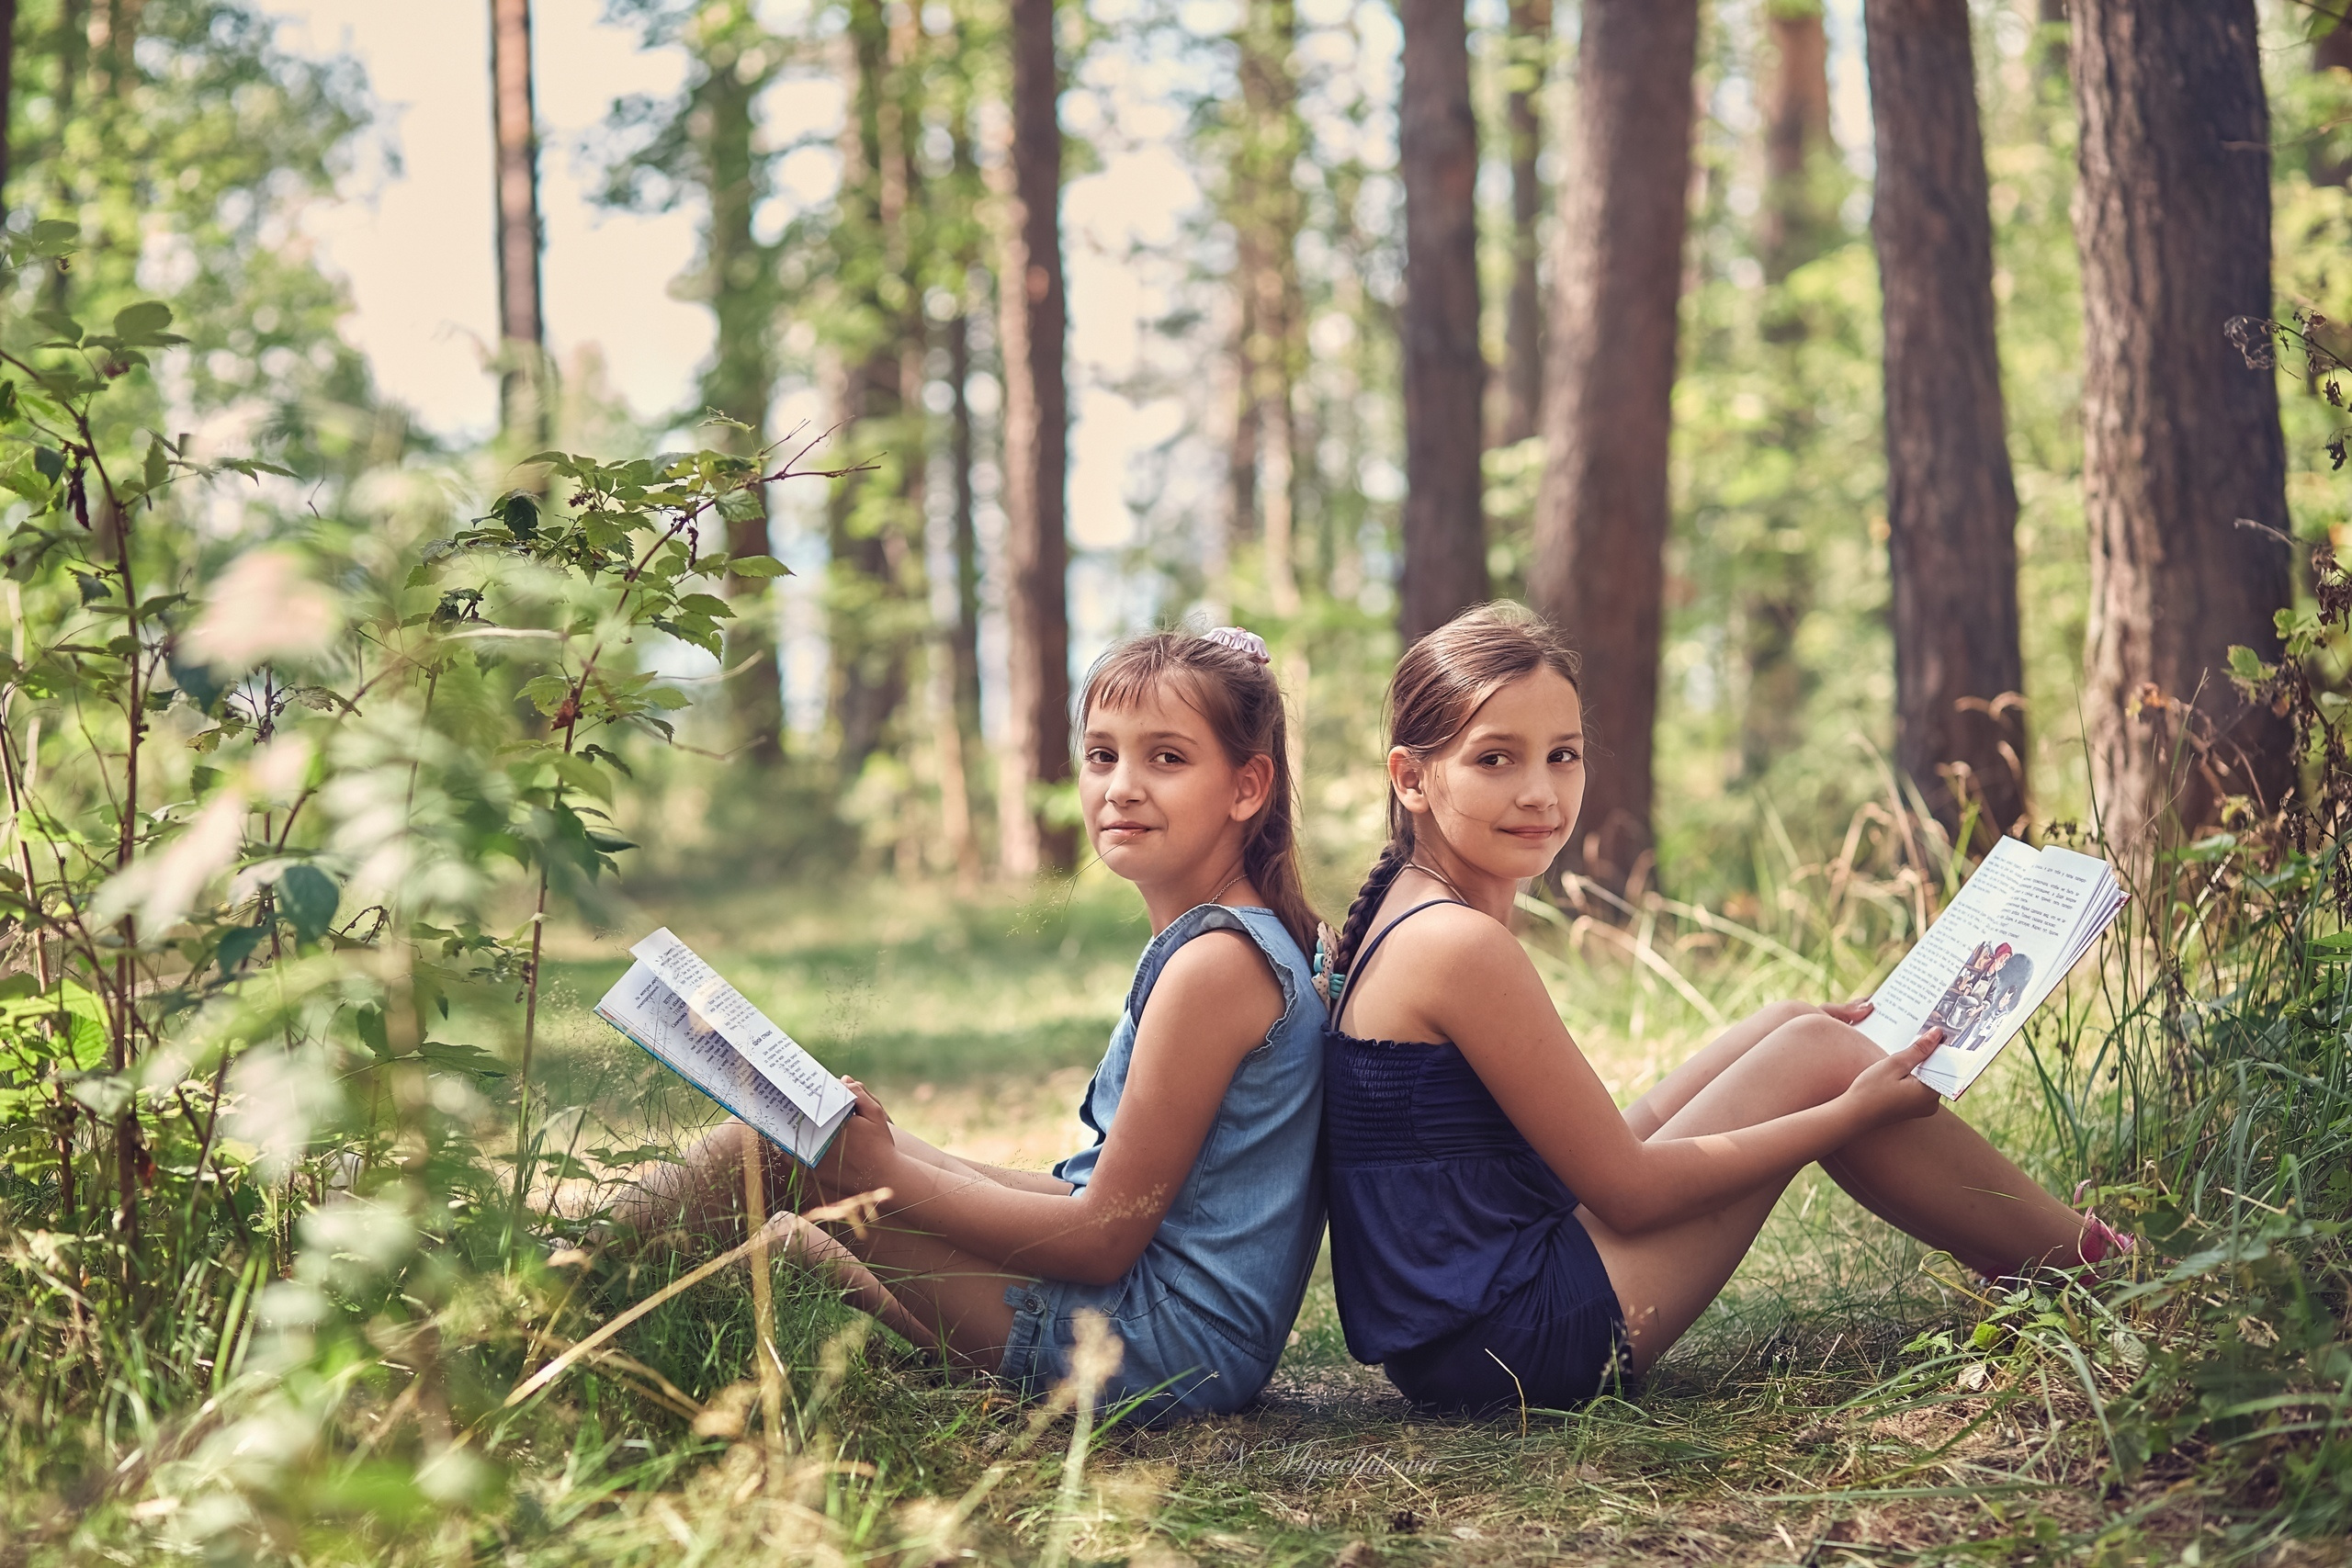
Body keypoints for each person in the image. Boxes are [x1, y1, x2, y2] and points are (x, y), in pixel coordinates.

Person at [1320, 603, 2132, 1417]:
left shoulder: (1414, 909)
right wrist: (1842, 1112)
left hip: (1470, 1333)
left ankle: (2039, 1258)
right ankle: (2094, 1266)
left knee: (1799, 1033)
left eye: (1562, 755)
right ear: (1411, 777)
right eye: (1495, 758)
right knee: (1821, 1059)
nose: (1540, 791)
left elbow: (1590, 1160)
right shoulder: (1459, 944)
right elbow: (1627, 1192)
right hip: (1514, 1347)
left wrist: (1767, 1036)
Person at [626, 626, 1327, 1423]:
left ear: (1247, 786)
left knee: (767, 1149)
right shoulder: (1222, 942)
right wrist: (885, 1155)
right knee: (797, 1223)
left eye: (1166, 757)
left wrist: (880, 1175)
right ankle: (603, 1316)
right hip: (1174, 1331)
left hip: (1159, 1347)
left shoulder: (1217, 964)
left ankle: (547, 1304)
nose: (1122, 787)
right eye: (1102, 755)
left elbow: (1101, 1236)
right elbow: (1094, 1194)